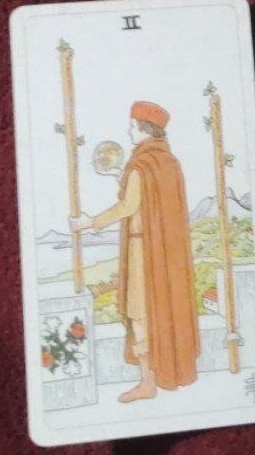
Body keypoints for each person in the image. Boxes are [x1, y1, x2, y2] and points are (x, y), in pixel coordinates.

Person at [70, 101, 199, 403]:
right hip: (164, 254)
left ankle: (147, 382)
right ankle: (157, 377)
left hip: (143, 251)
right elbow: (149, 200)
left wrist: (90, 222)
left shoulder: (141, 166)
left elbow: (129, 206)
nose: (128, 131)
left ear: (144, 129)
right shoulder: (168, 162)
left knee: (140, 315)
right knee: (160, 312)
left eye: (132, 126)